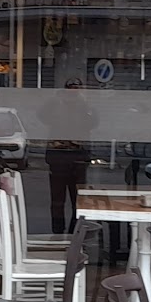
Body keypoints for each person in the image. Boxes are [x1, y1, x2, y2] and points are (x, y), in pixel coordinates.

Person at [44, 81, 94, 235]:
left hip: (78, 156)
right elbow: (42, 116)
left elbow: (94, 121)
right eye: (71, 89)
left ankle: (75, 232)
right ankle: (57, 232)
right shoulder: (55, 103)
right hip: (58, 156)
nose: (74, 92)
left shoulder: (84, 104)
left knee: (78, 199)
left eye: (77, 89)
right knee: (57, 200)